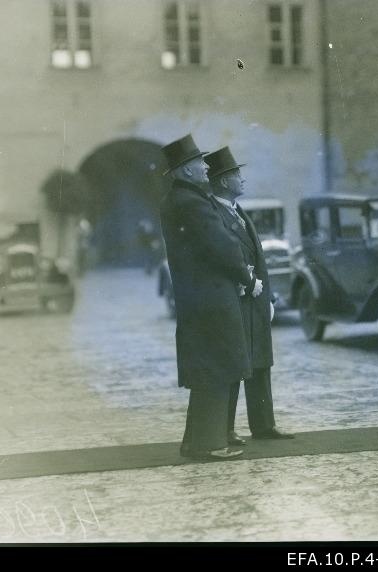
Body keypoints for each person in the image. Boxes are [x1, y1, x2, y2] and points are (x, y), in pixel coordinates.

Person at [159, 134, 254, 460]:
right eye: (199, 162)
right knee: (217, 369)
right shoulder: (192, 202)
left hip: (199, 298)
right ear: (185, 171)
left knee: (207, 371)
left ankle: (196, 441)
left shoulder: (181, 199)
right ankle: (210, 444)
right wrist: (247, 276)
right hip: (211, 299)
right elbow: (223, 247)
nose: (204, 166)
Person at [204, 146, 294, 442]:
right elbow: (219, 256)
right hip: (236, 298)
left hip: (255, 298)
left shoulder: (236, 209)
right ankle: (226, 429)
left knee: (260, 361)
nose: (241, 179)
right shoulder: (213, 212)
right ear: (221, 181)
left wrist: (267, 296)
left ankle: (264, 425)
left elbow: (257, 255)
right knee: (234, 364)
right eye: (235, 174)